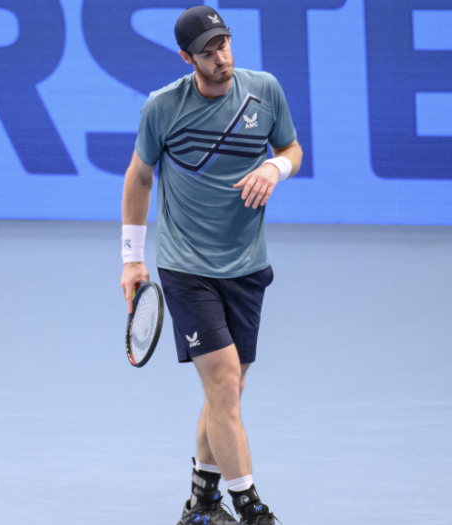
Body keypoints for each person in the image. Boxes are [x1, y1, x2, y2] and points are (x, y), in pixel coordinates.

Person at [119, 6, 302, 525]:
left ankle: (201, 504)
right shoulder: (162, 108)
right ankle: (251, 508)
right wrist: (133, 260)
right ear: (187, 58)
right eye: (208, 51)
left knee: (229, 390)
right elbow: (139, 177)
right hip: (187, 266)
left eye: (224, 43)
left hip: (247, 264)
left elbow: (291, 148)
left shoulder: (264, 91)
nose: (221, 57)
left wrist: (275, 167)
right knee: (222, 383)